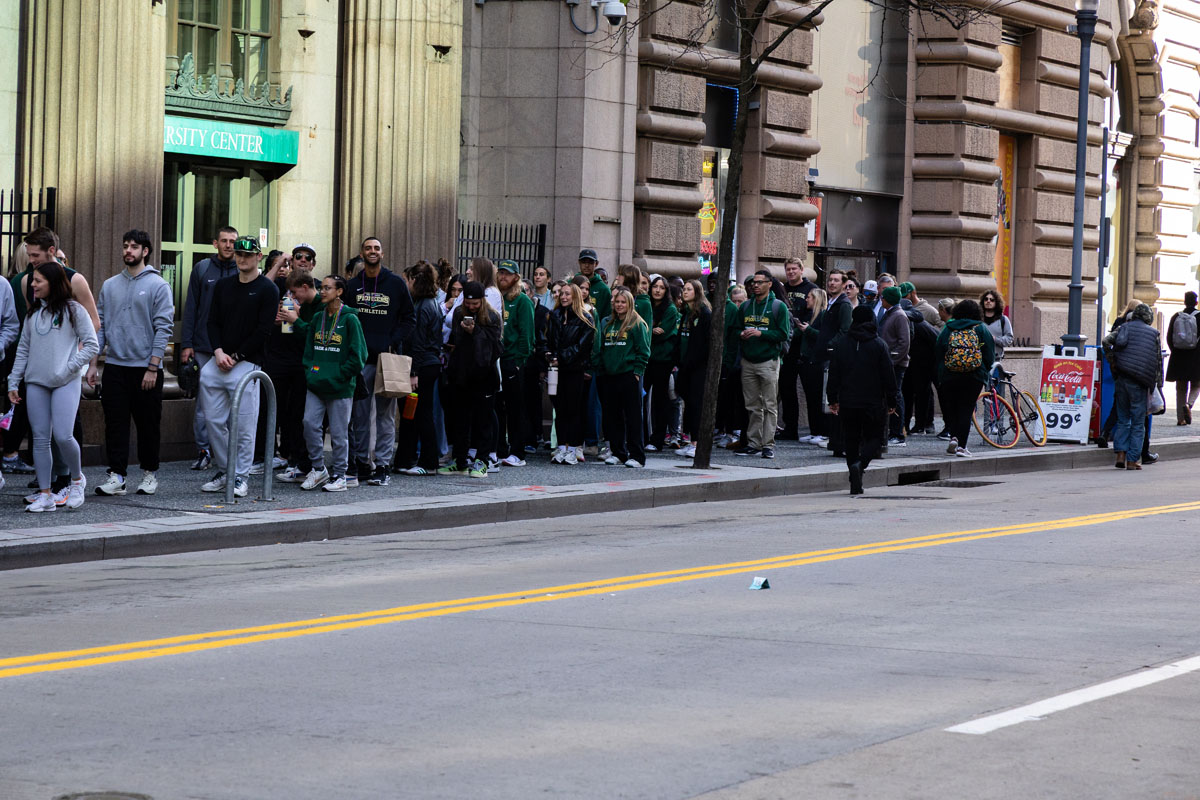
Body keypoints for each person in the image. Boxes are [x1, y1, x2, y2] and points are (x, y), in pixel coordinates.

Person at [9, 228, 100, 490]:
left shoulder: (76, 280)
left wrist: (76, 362)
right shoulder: (28, 281)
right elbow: (34, 327)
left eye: (35, 255)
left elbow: (93, 323)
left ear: (51, 251)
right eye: (29, 255)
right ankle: (48, 482)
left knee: (67, 429)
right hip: (40, 370)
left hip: (68, 368)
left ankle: (70, 478)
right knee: (40, 433)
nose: (31, 260)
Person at [90, 230, 175, 497]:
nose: (128, 250)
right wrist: (93, 364)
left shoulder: (159, 285)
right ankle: (117, 476)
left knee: (148, 424)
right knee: (115, 424)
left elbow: (164, 328)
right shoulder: (109, 285)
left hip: (146, 368)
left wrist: (153, 367)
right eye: (125, 246)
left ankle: (149, 474)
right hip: (115, 366)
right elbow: (99, 327)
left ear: (145, 251)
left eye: (134, 247)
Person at [197, 236, 279, 497]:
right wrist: (219, 351)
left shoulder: (268, 289)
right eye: (239, 254)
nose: (242, 258)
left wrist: (237, 355)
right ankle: (226, 469)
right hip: (218, 360)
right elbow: (212, 322)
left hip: (247, 364)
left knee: (244, 425)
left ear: (259, 257)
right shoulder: (223, 286)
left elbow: (264, 330)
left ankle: (240, 476)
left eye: (248, 254)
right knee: (213, 421)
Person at [285, 275, 367, 491]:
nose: (322, 291)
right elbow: (309, 349)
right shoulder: (318, 317)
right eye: (321, 287)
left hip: (340, 386)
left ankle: (340, 475)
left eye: (327, 288)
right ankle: (319, 469)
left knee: (339, 434)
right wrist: (311, 371)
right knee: (309, 424)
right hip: (316, 383)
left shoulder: (350, 319)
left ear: (339, 292)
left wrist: (341, 374)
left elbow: (359, 355)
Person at [346, 236, 416, 486]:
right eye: (368, 248)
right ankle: (364, 462)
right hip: (361, 360)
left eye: (376, 248)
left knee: (386, 416)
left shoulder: (396, 283)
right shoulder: (353, 285)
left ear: (382, 253)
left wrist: (392, 340)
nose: (372, 251)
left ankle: (383, 465)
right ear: (362, 253)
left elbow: (409, 319)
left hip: (387, 360)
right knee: (360, 415)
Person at [180, 225, 239, 471]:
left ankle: (229, 454)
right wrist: (186, 344)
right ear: (215, 243)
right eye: (224, 241)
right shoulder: (202, 268)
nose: (228, 245)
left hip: (235, 350)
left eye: (232, 241)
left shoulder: (243, 270)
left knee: (235, 403)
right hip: (204, 347)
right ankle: (204, 450)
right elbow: (191, 308)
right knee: (205, 404)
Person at [827, 305, 898, 495]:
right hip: (873, 401)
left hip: (849, 400)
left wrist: (832, 398)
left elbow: (834, 374)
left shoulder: (842, 344)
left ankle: (854, 474)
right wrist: (893, 400)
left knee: (851, 438)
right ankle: (861, 464)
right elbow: (888, 376)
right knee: (875, 438)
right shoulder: (879, 345)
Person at [439, 281, 503, 478]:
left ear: (482, 301)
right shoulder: (459, 312)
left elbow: (493, 347)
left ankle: (482, 461)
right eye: (469, 303)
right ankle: (459, 460)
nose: (472, 307)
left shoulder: (492, 316)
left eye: (475, 303)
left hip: (484, 375)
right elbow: (457, 341)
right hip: (462, 374)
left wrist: (474, 331)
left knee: (483, 420)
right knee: (460, 420)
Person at [266, 269, 322, 483]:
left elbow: (317, 336)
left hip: (313, 371)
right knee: (297, 418)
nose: (292, 296)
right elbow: (294, 333)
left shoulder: (320, 307)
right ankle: (299, 464)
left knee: (309, 421)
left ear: (305, 287)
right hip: (300, 367)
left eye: (294, 292)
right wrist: (285, 321)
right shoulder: (303, 306)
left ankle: (314, 466)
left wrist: (295, 319)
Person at [394, 262, 444, 476]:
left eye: (408, 279)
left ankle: (428, 462)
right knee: (413, 413)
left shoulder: (424, 306)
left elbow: (419, 343)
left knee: (420, 414)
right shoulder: (428, 303)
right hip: (426, 364)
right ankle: (406, 459)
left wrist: (413, 373)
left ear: (415, 280)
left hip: (421, 366)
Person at [736, 269, 792, 458]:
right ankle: (754, 443)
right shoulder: (745, 307)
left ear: (769, 284)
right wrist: (741, 334)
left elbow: (784, 334)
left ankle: (768, 444)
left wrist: (762, 333)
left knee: (769, 404)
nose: (756, 285)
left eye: (760, 282)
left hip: (769, 360)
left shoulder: (778, 307)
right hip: (748, 360)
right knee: (752, 405)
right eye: (754, 283)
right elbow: (735, 328)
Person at [592, 286, 650, 468]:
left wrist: (637, 372)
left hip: (629, 375)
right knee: (612, 417)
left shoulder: (637, 324)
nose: (619, 305)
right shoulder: (607, 323)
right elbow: (600, 348)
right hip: (609, 376)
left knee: (633, 417)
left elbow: (644, 350)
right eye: (617, 301)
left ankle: (637, 456)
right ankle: (619, 453)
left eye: (623, 302)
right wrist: (601, 370)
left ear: (630, 303)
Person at [1103, 303, 1163, 470]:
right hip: (1140, 381)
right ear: (1148, 318)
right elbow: (1158, 362)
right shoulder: (1153, 334)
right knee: (1138, 422)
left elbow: (1106, 341)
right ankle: (1133, 460)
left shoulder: (1124, 328)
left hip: (1122, 378)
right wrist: (1158, 386)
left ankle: (1120, 455)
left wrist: (1113, 362)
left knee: (1123, 419)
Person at [934, 299, 996, 458]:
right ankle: (962, 447)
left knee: (952, 408)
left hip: (949, 375)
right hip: (974, 376)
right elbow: (989, 354)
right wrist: (983, 370)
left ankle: (954, 437)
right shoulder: (981, 328)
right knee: (966, 409)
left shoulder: (948, 328)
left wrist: (942, 370)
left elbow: (939, 350)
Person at [548, 282, 595, 465]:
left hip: (574, 369)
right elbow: (549, 340)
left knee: (573, 409)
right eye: (562, 294)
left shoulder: (586, 318)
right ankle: (561, 447)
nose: (564, 297)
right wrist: (550, 355)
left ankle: (573, 447)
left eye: (568, 294)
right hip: (556, 369)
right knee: (559, 409)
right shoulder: (555, 315)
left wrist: (562, 357)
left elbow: (582, 347)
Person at [494, 260, 534, 466]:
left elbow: (527, 335)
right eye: (500, 273)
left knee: (515, 407)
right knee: (497, 407)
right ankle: (500, 448)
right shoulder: (495, 297)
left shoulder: (522, 301)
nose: (503, 277)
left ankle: (518, 452)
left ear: (516, 277)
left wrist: (518, 361)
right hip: (496, 360)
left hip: (512, 360)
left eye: (507, 274)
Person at [815, 269, 853, 454]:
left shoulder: (844, 304)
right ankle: (831, 437)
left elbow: (845, 330)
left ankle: (834, 438)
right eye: (830, 280)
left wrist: (831, 345)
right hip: (825, 356)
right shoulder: (832, 302)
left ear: (844, 284)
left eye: (836, 280)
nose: (831, 283)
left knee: (831, 399)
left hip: (833, 357)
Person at [777, 259, 816, 440]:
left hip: (805, 346)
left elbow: (813, 314)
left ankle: (816, 429)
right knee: (786, 388)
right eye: (788, 269)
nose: (791, 272)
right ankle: (790, 428)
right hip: (788, 348)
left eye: (794, 269)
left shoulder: (811, 289)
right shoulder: (783, 289)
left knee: (810, 389)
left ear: (802, 270)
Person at [676, 279, 712, 458]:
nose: (685, 292)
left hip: (698, 367)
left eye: (689, 289)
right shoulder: (685, 313)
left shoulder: (704, 314)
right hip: (685, 366)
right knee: (689, 404)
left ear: (697, 292)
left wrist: (693, 361)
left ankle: (697, 443)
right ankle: (690, 440)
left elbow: (704, 344)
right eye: (684, 289)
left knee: (697, 405)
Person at [644, 275, 679, 452]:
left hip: (663, 360)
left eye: (661, 287)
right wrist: (651, 331)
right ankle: (642, 436)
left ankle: (658, 439)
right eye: (655, 287)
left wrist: (649, 333)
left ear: (666, 291)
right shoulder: (647, 306)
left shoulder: (671, 309)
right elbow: (645, 331)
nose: (657, 290)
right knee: (641, 397)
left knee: (660, 400)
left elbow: (663, 333)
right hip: (646, 358)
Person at [878, 285, 911, 446]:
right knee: (892, 395)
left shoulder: (899, 316)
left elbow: (904, 342)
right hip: (889, 362)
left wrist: (892, 361)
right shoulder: (890, 313)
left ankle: (898, 434)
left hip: (896, 364)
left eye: (883, 297)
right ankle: (892, 431)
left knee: (896, 395)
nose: (881, 299)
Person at [796, 288, 827, 445]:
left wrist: (808, 330)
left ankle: (820, 431)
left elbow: (822, 337)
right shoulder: (812, 316)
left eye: (809, 297)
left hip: (816, 362)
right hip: (807, 361)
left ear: (816, 299)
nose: (806, 300)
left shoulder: (823, 315)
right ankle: (814, 430)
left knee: (816, 398)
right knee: (810, 398)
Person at [1166, 291, 1200, 425]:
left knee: (1180, 388)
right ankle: (1189, 404)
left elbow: (1169, 337)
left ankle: (1181, 419)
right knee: (1196, 385)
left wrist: (1175, 351)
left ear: (1184, 302)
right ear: (1196, 302)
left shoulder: (1176, 317)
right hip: (1196, 357)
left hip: (1178, 357)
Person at [575, 249, 610, 324]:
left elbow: (607, 317)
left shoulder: (604, 289)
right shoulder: (571, 284)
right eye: (584, 262)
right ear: (579, 262)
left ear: (596, 264)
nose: (587, 265)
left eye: (590, 262)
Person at [980, 289, 1014, 363]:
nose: (988, 301)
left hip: (996, 360)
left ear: (997, 303)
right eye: (986, 299)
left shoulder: (1003, 319)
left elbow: (1009, 339)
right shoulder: (978, 319)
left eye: (992, 300)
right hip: (979, 360)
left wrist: (995, 339)